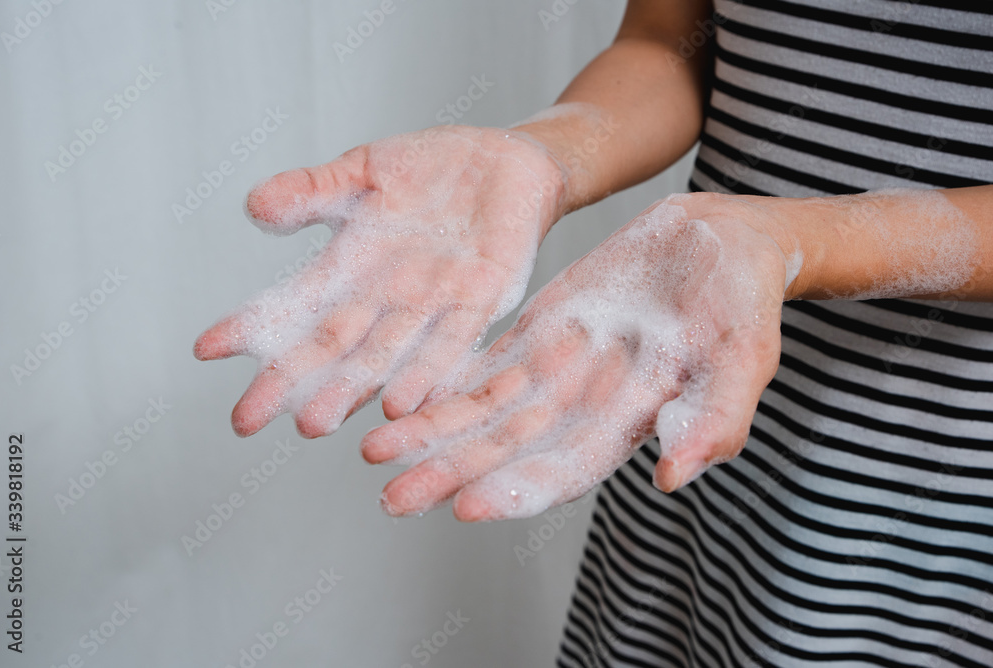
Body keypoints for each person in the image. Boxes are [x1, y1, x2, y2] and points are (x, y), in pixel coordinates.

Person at [195, 0, 993, 665]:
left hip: (941, 491)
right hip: (671, 398)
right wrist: (541, 155)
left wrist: (796, 242)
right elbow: (666, 47)